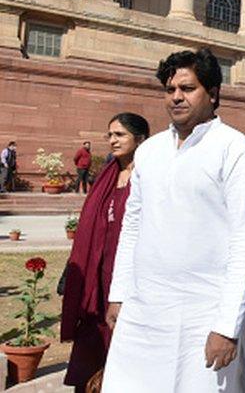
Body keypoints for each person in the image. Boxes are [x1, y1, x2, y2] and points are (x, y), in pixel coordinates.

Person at [102, 48, 245, 393]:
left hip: (204, 314)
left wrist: (226, 325)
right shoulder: (150, 151)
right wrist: (119, 293)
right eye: (170, 89)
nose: (176, 97)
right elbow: (132, 226)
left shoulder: (237, 151)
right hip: (144, 309)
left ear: (213, 93)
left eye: (188, 89)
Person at [61, 113, 150, 392]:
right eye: (110, 134)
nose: (112, 140)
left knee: (125, 340)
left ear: (140, 139)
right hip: (97, 275)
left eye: (120, 135)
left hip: (130, 275)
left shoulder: (149, 175)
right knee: (93, 337)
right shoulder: (107, 175)